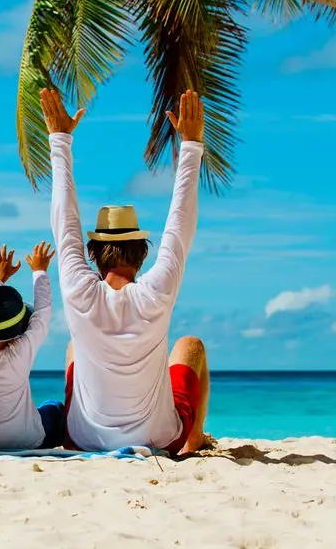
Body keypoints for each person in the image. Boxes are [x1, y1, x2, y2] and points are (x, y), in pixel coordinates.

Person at [43, 87, 211, 455]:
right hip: (159, 438)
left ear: (92, 253)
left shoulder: (78, 289)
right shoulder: (156, 290)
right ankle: (193, 440)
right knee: (190, 346)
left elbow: (64, 222)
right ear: (143, 251)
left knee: (74, 347)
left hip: (82, 440)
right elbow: (179, 226)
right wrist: (191, 146)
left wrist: (60, 140)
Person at [0, 242, 66, 450]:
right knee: (54, 407)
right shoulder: (18, 354)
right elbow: (42, 315)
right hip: (30, 440)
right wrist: (39, 271)